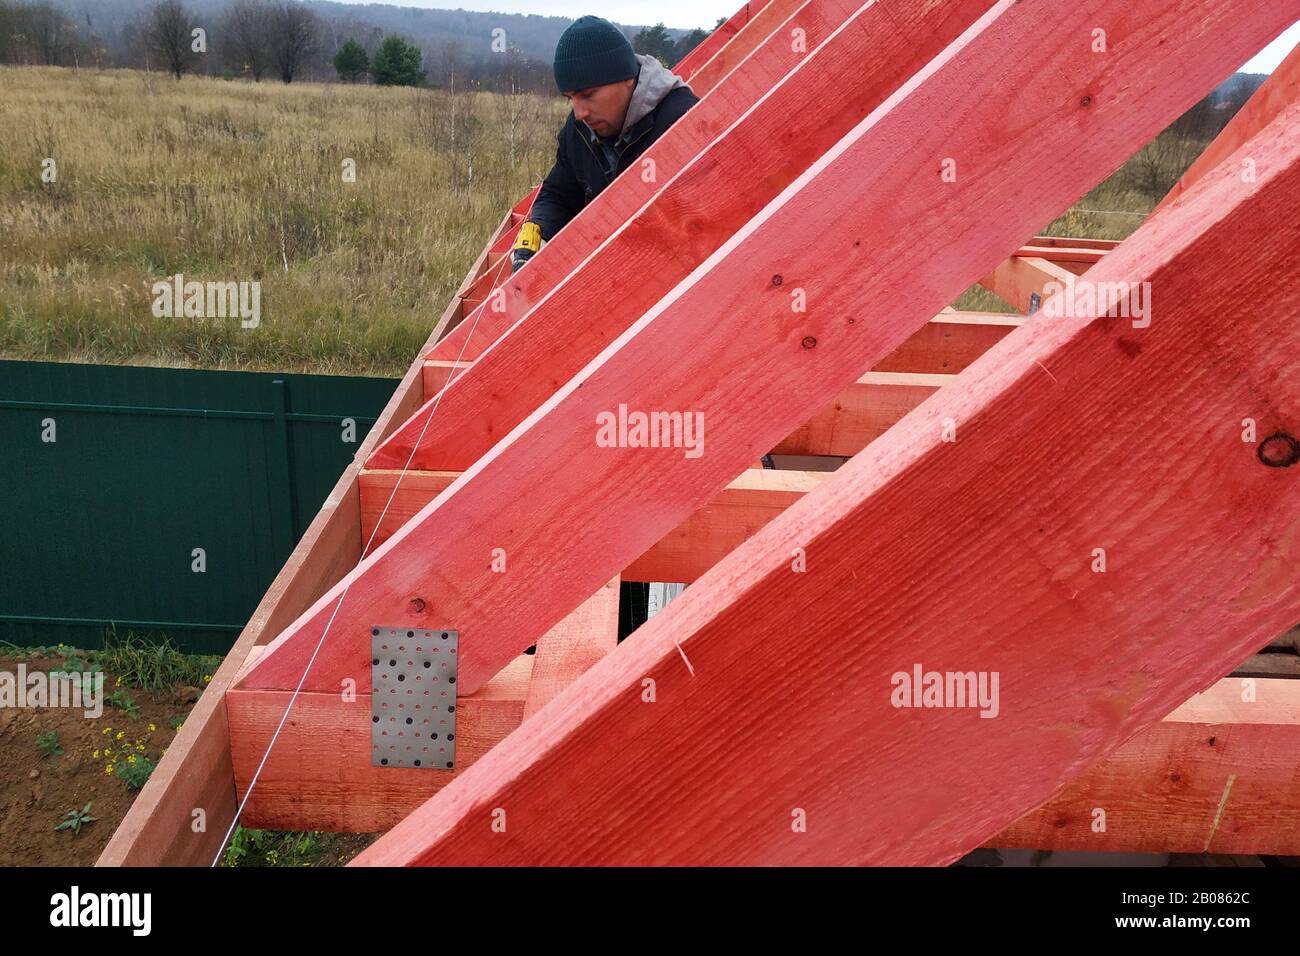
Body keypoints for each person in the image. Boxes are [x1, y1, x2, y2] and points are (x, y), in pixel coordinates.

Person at [511, 15, 700, 271]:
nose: (579, 113)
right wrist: (537, 237)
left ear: (627, 78)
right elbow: (558, 193)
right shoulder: (579, 130)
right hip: (613, 274)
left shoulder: (683, 122)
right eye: (570, 98)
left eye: (588, 95)